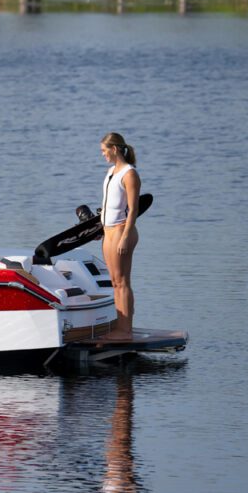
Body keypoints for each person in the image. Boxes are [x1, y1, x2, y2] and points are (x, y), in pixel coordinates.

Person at [99, 132, 141, 339]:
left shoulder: (129, 174)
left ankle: (125, 330)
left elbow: (133, 210)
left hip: (121, 231)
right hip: (108, 232)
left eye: (104, 151)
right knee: (114, 281)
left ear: (114, 149)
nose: (103, 155)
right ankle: (120, 326)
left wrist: (125, 237)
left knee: (122, 281)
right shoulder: (110, 172)